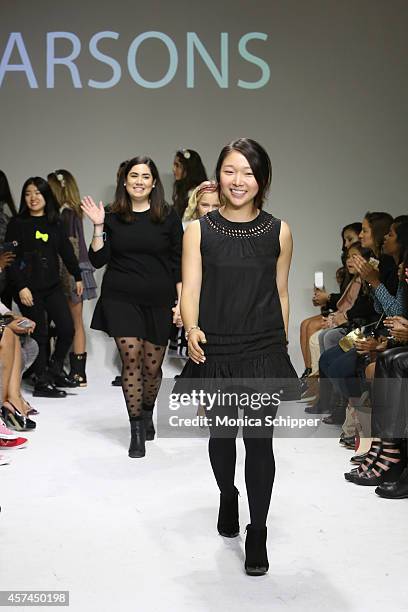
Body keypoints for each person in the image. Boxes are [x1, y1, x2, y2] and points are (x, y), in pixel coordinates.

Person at [178, 138, 298, 576]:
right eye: (230, 170)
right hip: (218, 348)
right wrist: (192, 328)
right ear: (218, 175)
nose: (238, 180)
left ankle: (258, 530)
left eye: (247, 172)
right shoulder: (200, 230)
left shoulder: (279, 231)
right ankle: (228, 494)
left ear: (262, 179)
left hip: (262, 348)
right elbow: (190, 289)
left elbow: (281, 292)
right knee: (223, 437)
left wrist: (279, 345)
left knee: (260, 442)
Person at [82, 156, 183, 459]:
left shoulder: (167, 216)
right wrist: (99, 225)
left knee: (152, 367)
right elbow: (98, 259)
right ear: (124, 181)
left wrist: (181, 303)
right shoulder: (112, 216)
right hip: (120, 298)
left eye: (146, 176)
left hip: (159, 300)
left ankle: (148, 410)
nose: (139, 180)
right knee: (131, 358)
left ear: (154, 183)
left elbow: (179, 261)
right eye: (134, 175)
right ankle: (136, 428)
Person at [5, 177, 83, 398]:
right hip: (28, 289)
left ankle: (54, 371)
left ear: (46, 196)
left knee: (67, 329)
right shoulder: (17, 224)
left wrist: (77, 275)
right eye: (28, 193)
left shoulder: (54, 223)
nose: (33, 198)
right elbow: (9, 260)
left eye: (38, 193)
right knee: (39, 332)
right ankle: (40, 382)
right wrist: (21, 287)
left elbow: (66, 251)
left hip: (52, 286)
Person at [48, 169, 97, 386]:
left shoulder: (65, 214)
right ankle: (72, 371)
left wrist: (70, 278)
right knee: (71, 322)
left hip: (71, 273)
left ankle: (78, 373)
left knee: (74, 322)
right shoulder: (71, 212)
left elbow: (71, 249)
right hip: (74, 271)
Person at [172, 149, 207, 218]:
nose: (173, 169)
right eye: (174, 164)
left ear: (189, 168)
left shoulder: (199, 193)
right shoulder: (182, 190)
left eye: (177, 165)